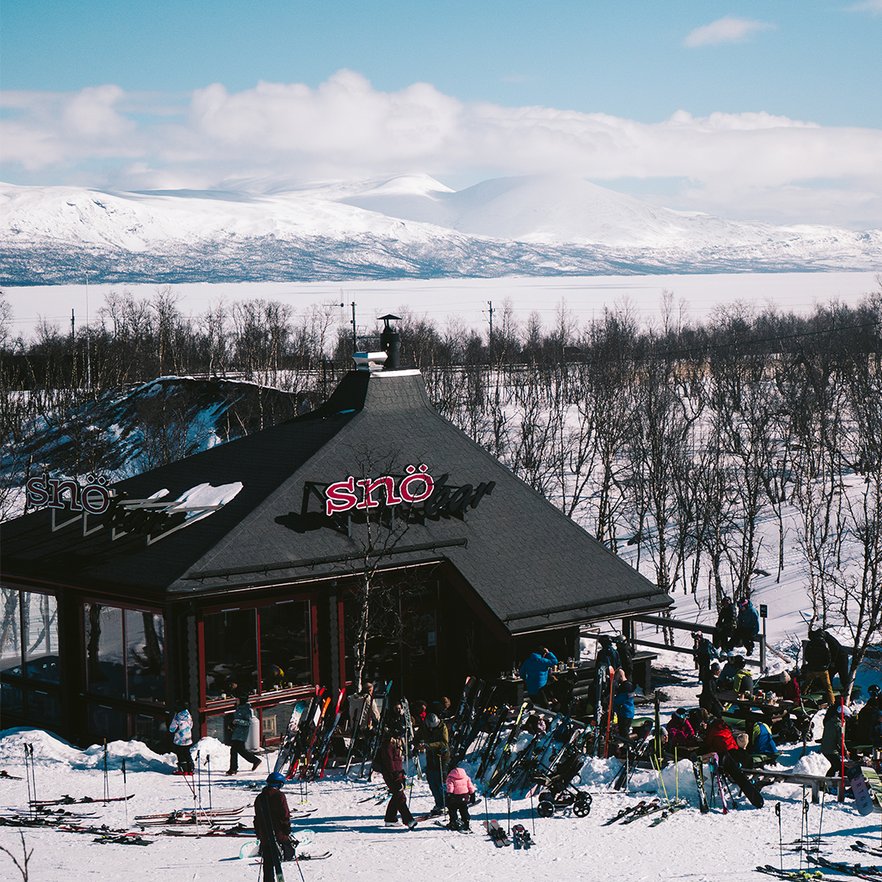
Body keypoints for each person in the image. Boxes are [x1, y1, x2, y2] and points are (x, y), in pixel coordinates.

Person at [254, 772, 295, 880]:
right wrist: (287, 829)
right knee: (279, 859)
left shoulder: (260, 797)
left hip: (265, 835)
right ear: (279, 784)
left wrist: (259, 833)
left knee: (268, 864)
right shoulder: (279, 796)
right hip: (278, 834)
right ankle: (280, 879)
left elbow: (257, 817)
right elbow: (284, 814)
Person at [375, 729, 417, 829]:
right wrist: (396, 777)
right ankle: (408, 820)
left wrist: (401, 773)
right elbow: (389, 763)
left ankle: (390, 819)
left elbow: (397, 761)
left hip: (398, 774)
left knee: (397, 796)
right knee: (400, 797)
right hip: (391, 775)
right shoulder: (388, 745)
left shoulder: (395, 744)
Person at [416, 713, 449, 816]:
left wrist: (428, 745)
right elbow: (417, 737)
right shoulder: (424, 727)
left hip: (441, 757)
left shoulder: (442, 727)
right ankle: (438, 804)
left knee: (440, 782)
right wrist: (417, 745)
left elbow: (444, 743)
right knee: (432, 782)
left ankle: (445, 804)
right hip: (431, 757)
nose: (431, 729)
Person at [227, 694, 262, 775]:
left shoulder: (247, 710)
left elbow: (247, 722)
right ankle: (253, 761)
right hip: (237, 732)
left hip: (242, 733)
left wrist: (237, 721)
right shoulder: (238, 708)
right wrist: (232, 724)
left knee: (236, 749)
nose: (236, 701)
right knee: (237, 750)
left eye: (238, 700)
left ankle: (234, 768)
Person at [803, 628, 836, 706]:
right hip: (823, 669)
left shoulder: (810, 643)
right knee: (828, 687)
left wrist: (810, 663)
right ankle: (832, 702)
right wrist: (826, 666)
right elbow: (828, 656)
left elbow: (806, 656)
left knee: (806, 684)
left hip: (812, 669)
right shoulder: (824, 643)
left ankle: (801, 698)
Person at [819, 700, 850, 780]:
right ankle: (827, 783)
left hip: (825, 748)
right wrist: (845, 751)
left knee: (836, 765)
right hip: (830, 750)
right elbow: (840, 740)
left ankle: (828, 783)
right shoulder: (837, 725)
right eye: (845, 717)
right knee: (837, 766)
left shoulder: (830, 721)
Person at [445, 764, 477, 832]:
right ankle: (466, 822)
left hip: (455, 797)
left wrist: (448, 795)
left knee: (452, 809)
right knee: (464, 809)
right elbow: (470, 786)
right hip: (465, 796)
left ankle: (454, 822)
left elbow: (450, 787)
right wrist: (472, 794)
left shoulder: (450, 778)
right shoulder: (466, 777)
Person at [819, 629, 852, 696]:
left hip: (841, 658)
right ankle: (829, 690)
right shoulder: (826, 639)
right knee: (829, 674)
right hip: (836, 658)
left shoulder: (829, 640)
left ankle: (847, 691)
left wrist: (833, 661)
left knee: (843, 675)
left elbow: (835, 649)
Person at [168, 703, 195, 775]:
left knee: (181, 754)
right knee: (187, 753)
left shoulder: (177, 717)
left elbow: (172, 729)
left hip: (179, 740)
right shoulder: (188, 715)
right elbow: (191, 725)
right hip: (188, 738)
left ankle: (183, 769)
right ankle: (190, 769)